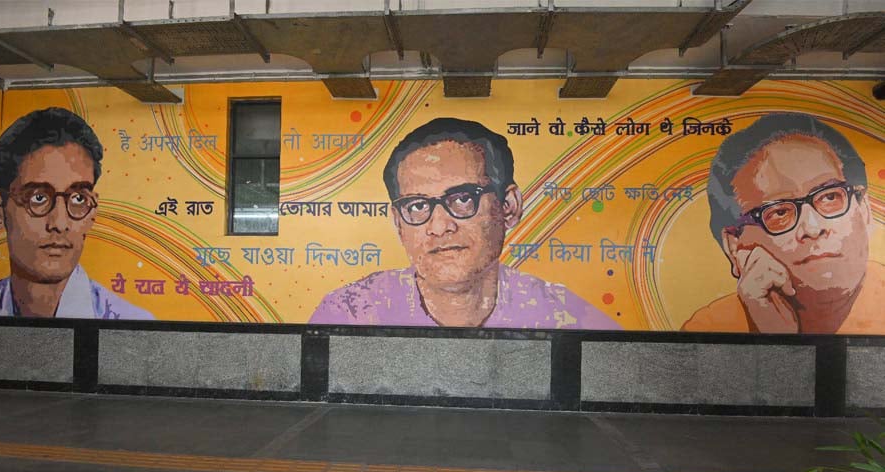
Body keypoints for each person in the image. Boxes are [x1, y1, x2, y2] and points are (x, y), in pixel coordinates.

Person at [311, 117, 618, 329]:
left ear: (508, 207)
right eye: (416, 206)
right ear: (398, 224)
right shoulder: (351, 312)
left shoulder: (565, 317)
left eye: (462, 199)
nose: (439, 226)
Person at [683, 112, 882, 334]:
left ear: (864, 212)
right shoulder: (708, 328)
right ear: (735, 247)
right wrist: (771, 336)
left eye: (830, 197)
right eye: (779, 212)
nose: (813, 228)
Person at [0, 107, 153, 319]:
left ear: (92, 213)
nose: (60, 223)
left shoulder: (130, 324)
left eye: (78, 199)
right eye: (38, 198)